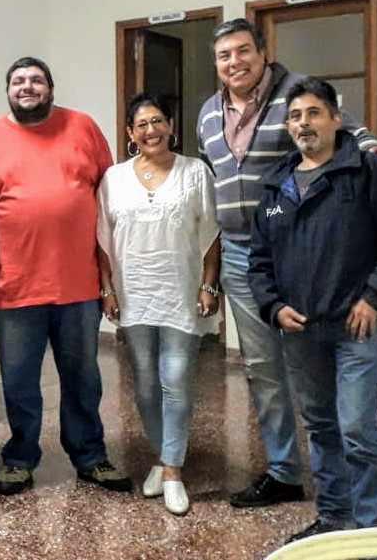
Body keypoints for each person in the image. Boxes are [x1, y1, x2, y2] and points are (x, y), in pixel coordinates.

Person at [196, 18, 377, 508]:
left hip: (299, 250)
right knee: (263, 367)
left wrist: (371, 151)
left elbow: (348, 128)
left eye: (243, 50)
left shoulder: (294, 92)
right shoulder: (208, 113)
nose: (234, 62)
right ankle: (284, 471)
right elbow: (211, 174)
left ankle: (348, 481)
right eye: (224, 55)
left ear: (262, 52)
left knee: (318, 363)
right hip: (241, 254)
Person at [248, 77, 377, 543]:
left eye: (313, 113)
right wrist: (273, 307)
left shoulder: (369, 172)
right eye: (294, 116)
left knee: (357, 431)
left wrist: (374, 298)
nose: (303, 123)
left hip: (355, 328)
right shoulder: (276, 187)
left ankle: (376, 533)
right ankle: (334, 518)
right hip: (300, 332)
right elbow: (259, 261)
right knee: (320, 426)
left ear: (336, 118)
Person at [0, 56, 132, 496]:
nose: (27, 86)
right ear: (8, 90)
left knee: (83, 378)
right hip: (14, 286)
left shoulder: (82, 127)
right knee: (19, 381)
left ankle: (90, 455)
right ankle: (20, 459)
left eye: (36, 80)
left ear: (51, 88)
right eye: (18, 81)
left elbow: (108, 192)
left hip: (77, 284)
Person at [96, 92, 219, 515]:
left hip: (179, 292)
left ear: (170, 125)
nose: (151, 130)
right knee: (146, 383)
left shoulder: (195, 172)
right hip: (133, 293)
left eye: (158, 121)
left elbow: (211, 233)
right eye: (142, 124)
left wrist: (209, 284)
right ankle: (164, 458)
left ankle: (172, 472)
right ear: (130, 133)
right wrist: (107, 289)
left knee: (176, 379)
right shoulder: (113, 178)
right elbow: (102, 238)